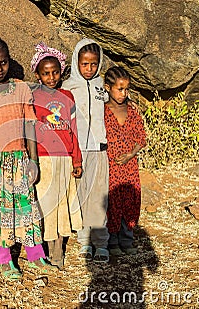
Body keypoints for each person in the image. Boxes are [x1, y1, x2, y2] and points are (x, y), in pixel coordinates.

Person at [0, 36, 54, 280]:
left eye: (3, 62)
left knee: (27, 208)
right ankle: (4, 260)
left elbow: (29, 127)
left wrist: (33, 161)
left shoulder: (22, 89)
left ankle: (36, 255)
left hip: (19, 160)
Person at [30, 42, 83, 269]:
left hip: (64, 159)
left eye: (55, 72)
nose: (51, 77)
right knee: (46, 204)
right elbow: (29, 129)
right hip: (44, 158)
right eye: (46, 73)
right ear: (38, 75)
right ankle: (44, 250)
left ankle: (57, 253)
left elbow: (74, 129)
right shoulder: (33, 97)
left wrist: (76, 159)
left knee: (62, 205)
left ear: (61, 72)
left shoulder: (67, 96)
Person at [62, 38, 110, 263]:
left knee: (99, 195)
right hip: (78, 149)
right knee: (80, 195)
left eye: (94, 64)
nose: (89, 69)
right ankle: (84, 241)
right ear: (76, 62)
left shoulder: (103, 86)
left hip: (99, 148)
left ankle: (101, 242)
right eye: (85, 64)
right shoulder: (67, 87)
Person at [103, 66, 146, 256]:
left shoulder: (132, 111)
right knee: (112, 202)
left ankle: (127, 239)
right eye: (119, 89)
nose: (123, 93)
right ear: (107, 87)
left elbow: (141, 139)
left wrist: (130, 154)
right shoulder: (102, 112)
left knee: (130, 201)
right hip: (110, 166)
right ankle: (112, 241)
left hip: (129, 167)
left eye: (126, 89)